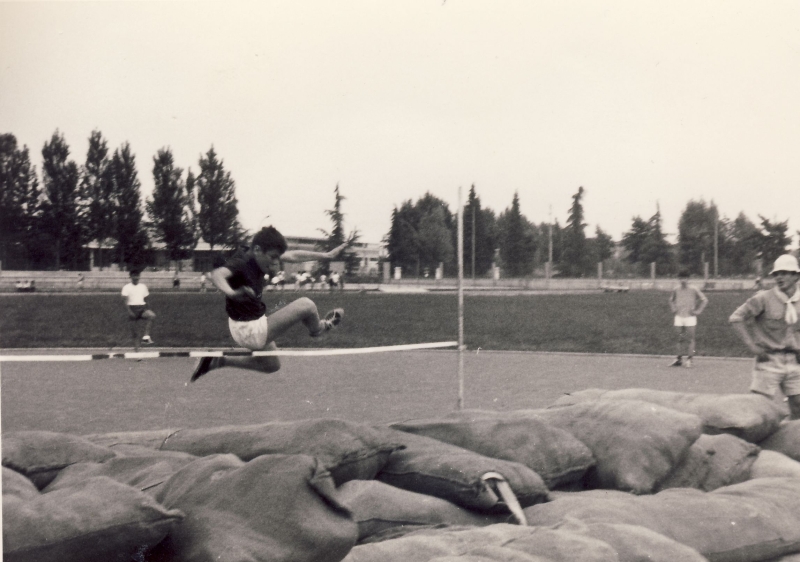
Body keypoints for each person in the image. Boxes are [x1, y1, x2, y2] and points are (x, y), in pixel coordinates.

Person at [190, 226, 348, 382]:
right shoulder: (241, 262)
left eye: (277, 258)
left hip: (243, 326)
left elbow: (293, 255)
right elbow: (217, 274)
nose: (275, 262)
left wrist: (326, 255)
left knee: (271, 364)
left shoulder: (255, 252)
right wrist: (232, 293)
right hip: (250, 329)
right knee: (307, 305)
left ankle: (218, 361)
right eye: (272, 257)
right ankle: (319, 329)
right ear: (258, 250)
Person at [730, 254, 800, 419]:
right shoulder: (764, 298)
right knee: (758, 409)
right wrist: (752, 347)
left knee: (798, 406)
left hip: (795, 361)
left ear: (796, 276)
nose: (779, 277)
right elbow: (736, 318)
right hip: (769, 360)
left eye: (785, 273)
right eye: (776, 274)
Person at [668, 269, 708, 368]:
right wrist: (673, 308)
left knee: (691, 339)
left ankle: (690, 359)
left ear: (688, 279)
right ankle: (678, 359)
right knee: (679, 339)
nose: (683, 280)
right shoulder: (676, 289)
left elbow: (704, 300)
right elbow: (671, 300)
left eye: (685, 278)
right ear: (678, 279)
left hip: (690, 317)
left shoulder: (694, 289)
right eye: (681, 278)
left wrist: (698, 311)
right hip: (679, 317)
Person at [121, 269, 156, 350]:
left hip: (142, 308)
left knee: (152, 315)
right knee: (135, 333)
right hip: (132, 309)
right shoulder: (126, 287)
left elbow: (146, 299)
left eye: (137, 275)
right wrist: (129, 311)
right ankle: (137, 351)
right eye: (134, 275)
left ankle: (146, 337)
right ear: (131, 277)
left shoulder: (143, 286)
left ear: (139, 276)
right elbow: (125, 301)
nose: (136, 277)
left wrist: (148, 308)